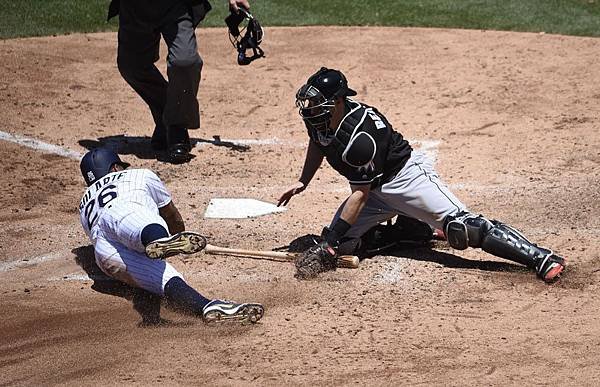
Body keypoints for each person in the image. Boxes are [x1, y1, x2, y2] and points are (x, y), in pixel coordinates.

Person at [278, 67, 566, 282]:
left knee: (463, 229)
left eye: (317, 103)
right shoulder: (322, 119)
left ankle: (539, 257)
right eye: (310, 103)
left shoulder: (361, 137)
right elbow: (318, 143)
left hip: (406, 180)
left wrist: (328, 243)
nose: (311, 109)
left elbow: (359, 195)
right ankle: (408, 231)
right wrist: (303, 180)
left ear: (338, 101)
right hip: (375, 192)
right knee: (343, 247)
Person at [78, 147, 264, 325]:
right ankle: (159, 240)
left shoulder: (84, 203)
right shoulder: (138, 174)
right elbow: (171, 215)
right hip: (127, 214)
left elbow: (101, 232)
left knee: (164, 277)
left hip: (105, 253)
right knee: (141, 222)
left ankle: (206, 307)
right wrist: (180, 236)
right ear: (115, 167)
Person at [107, 0, 251, 163]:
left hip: (175, 6)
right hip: (135, 8)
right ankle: (166, 115)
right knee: (131, 65)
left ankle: (176, 128)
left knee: (185, 62)